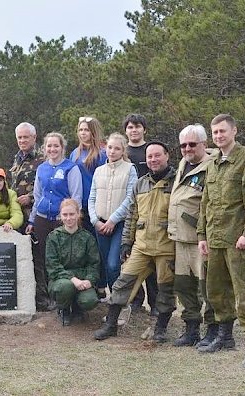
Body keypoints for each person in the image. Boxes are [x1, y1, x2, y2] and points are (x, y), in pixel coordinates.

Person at [197, 114, 245, 368]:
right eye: (215, 132)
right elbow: (206, 202)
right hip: (215, 239)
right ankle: (225, 337)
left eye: (222, 131)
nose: (218, 136)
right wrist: (202, 235)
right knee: (217, 291)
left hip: (238, 240)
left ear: (234, 131)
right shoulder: (213, 161)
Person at [93, 142, 176, 343]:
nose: (153, 160)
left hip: (167, 248)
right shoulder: (141, 183)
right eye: (150, 157)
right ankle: (111, 325)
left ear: (167, 156)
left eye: (157, 156)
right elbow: (132, 215)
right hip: (142, 246)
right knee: (123, 284)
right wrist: (126, 243)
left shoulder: (177, 182)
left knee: (165, 290)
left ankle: (161, 329)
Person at [167, 124, 216, 347]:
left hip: (200, 238)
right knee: (184, 287)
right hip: (180, 238)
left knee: (208, 287)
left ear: (204, 144)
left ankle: (214, 330)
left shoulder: (213, 166)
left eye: (192, 144)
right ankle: (191, 329)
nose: (187, 148)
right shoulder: (183, 164)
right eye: (183, 145)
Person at [26, 132, 82, 311]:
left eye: (55, 146)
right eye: (49, 146)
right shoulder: (42, 168)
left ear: (62, 147)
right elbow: (37, 195)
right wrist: (32, 220)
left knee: (63, 258)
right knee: (43, 258)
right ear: (44, 148)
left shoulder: (70, 168)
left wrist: (72, 220)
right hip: (43, 219)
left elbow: (76, 197)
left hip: (61, 220)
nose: (52, 149)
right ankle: (47, 297)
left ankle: (65, 297)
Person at [88, 133, 137, 296]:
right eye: (110, 147)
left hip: (119, 224)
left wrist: (113, 220)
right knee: (103, 262)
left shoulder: (130, 169)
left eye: (117, 148)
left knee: (113, 264)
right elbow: (92, 197)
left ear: (123, 150)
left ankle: (118, 297)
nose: (112, 151)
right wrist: (95, 220)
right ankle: (112, 297)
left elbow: (131, 198)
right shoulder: (98, 171)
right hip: (100, 225)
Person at [123, 113, 159, 316]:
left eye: (137, 126)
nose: (134, 130)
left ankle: (155, 303)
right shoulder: (124, 151)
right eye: (130, 127)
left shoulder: (150, 150)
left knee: (153, 264)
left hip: (151, 208)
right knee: (132, 260)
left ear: (144, 129)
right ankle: (136, 301)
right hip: (130, 210)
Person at [46, 199, 100, 326]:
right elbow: (53, 266)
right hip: (61, 280)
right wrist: (72, 279)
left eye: (72, 214)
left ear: (78, 214)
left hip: (82, 279)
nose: (68, 218)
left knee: (90, 300)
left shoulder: (87, 237)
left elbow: (94, 264)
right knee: (65, 287)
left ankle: (78, 308)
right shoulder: (54, 237)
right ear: (60, 216)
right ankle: (63, 308)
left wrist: (89, 280)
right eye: (65, 215)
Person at [69, 116, 107, 236]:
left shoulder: (101, 154)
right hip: (78, 204)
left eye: (86, 130)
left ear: (93, 132)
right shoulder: (75, 153)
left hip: (95, 204)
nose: (83, 133)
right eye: (80, 130)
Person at [9, 122, 44, 233]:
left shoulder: (43, 158)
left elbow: (49, 186)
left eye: (25, 137)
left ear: (34, 137)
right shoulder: (17, 158)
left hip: (35, 213)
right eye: (19, 137)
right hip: (17, 214)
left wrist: (30, 197)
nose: (22, 140)